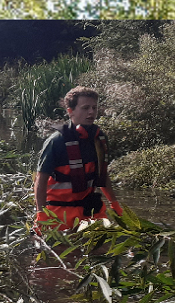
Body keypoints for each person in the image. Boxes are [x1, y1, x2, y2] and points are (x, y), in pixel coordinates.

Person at [33, 87, 122, 232]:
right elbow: (40, 181)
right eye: (85, 108)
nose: (91, 112)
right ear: (70, 111)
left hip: (90, 210)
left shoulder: (99, 139)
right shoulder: (56, 141)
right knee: (61, 252)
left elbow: (102, 176)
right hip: (59, 213)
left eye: (94, 107)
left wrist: (114, 203)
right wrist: (41, 213)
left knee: (104, 250)